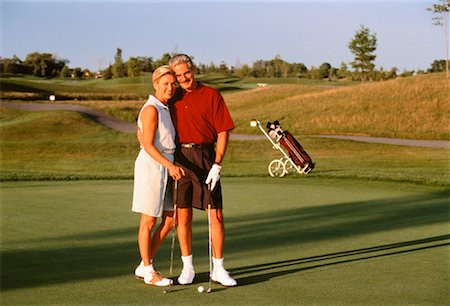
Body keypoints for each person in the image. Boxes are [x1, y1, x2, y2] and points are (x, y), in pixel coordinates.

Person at [168, 54, 237, 287]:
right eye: (178, 75)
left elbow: (223, 131)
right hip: (180, 159)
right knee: (183, 216)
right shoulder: (172, 97)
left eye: (186, 72)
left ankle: (218, 268)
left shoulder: (211, 95)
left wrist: (217, 164)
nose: (183, 78)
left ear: (193, 69)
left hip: (206, 156)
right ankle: (187, 267)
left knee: (215, 215)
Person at [131, 65, 185, 286]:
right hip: (153, 166)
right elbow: (148, 145)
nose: (170, 88)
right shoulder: (152, 108)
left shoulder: (165, 107)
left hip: (166, 164)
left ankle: (145, 264)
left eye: (173, 84)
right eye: (166, 84)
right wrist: (169, 166)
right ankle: (149, 271)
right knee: (149, 220)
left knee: (171, 219)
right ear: (155, 84)